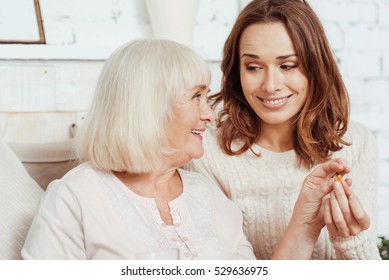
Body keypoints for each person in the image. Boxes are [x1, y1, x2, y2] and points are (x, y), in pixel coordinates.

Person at [22, 39, 361, 260]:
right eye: (196, 96)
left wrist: (306, 220)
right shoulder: (75, 197)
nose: (209, 114)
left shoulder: (206, 194)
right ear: (148, 107)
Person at [187, 0, 381, 259]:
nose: (270, 85)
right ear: (237, 71)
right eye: (253, 67)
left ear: (315, 66)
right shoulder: (207, 153)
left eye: (287, 66)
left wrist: (352, 242)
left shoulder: (355, 143)